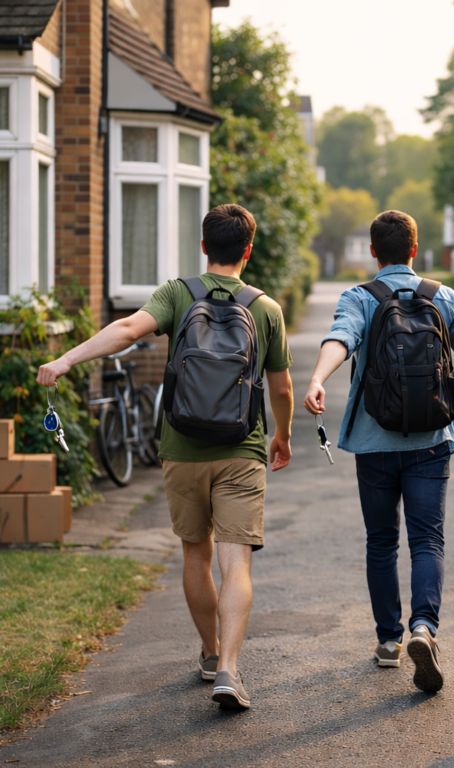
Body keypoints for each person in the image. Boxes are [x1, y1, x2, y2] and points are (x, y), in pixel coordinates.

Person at [37, 204, 294, 710]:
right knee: (235, 561)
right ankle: (229, 669)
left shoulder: (179, 294)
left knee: (196, 554)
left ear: (203, 247)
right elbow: (281, 386)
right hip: (241, 449)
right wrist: (282, 434)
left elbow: (129, 329)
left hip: (181, 448)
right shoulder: (265, 308)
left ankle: (209, 651)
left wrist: (66, 359)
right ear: (248, 250)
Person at [303, 210, 454, 693]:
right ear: (415, 251)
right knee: (427, 540)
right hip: (432, 439)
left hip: (373, 441)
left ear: (373, 252)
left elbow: (341, 337)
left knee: (381, 540)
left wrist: (317, 378)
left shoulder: (360, 297)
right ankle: (424, 628)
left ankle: (389, 641)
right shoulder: (442, 296)